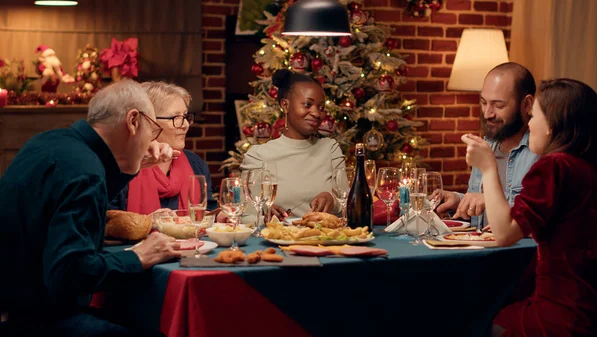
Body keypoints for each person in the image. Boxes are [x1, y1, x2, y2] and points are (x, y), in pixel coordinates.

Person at [0, 79, 183, 337]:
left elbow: (81, 209)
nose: (151, 140)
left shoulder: (52, 142)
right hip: (34, 319)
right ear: (133, 121)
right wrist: (139, 256)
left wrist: (133, 164)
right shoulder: (85, 172)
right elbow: (68, 273)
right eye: (152, 129)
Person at [463, 78, 597, 337]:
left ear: (553, 125)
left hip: (561, 311)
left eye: (534, 116)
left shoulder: (554, 166)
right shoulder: (587, 167)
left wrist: (488, 167)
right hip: (589, 306)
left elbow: (504, 235)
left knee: (471, 318)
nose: (529, 124)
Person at [437, 62, 539, 229]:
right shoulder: (487, 145)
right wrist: (459, 201)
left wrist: (491, 200)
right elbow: (481, 204)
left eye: (499, 105)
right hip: (483, 250)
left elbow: (545, 214)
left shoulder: (542, 151)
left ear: (527, 104)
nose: (487, 113)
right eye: (484, 102)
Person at [240, 69, 345, 223]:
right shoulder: (258, 156)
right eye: (307, 104)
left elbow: (348, 204)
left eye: (321, 107)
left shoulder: (330, 149)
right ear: (285, 105)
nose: (316, 113)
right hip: (278, 242)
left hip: (324, 241)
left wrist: (332, 201)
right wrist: (266, 217)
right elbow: (244, 216)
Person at [110, 81, 218, 213]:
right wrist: (147, 224)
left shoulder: (196, 164)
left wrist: (218, 217)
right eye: (176, 117)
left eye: (185, 116)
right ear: (148, 121)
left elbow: (208, 210)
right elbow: (105, 223)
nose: (185, 125)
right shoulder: (122, 167)